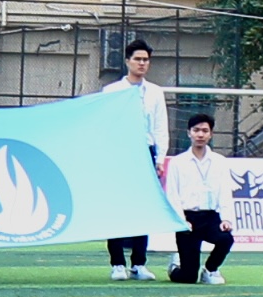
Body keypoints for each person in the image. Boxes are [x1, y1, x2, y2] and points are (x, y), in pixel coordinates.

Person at [99, 42, 169, 281]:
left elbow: (160, 127)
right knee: (117, 208)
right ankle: (117, 263)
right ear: (127, 61)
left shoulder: (155, 92)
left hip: (145, 152)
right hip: (119, 153)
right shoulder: (111, 90)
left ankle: (139, 263)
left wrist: (160, 158)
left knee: (144, 208)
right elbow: (106, 125)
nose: (142, 63)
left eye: (146, 60)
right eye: (138, 59)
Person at [164, 113, 235, 284]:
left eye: (205, 131)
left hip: (210, 217)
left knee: (226, 239)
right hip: (188, 218)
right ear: (189, 133)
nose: (200, 135)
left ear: (211, 134)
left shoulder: (219, 162)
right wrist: (181, 221)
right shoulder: (178, 162)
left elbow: (225, 192)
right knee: (188, 277)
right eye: (196, 130)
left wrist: (226, 219)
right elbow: (172, 194)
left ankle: (210, 270)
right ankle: (175, 266)